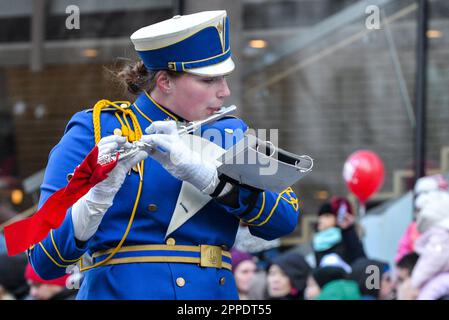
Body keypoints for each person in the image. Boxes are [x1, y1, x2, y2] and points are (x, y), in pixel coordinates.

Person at [27, 10, 300, 299]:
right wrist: (96, 199)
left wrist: (214, 182)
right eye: (208, 81)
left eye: (224, 78)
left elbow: (284, 218)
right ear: (165, 81)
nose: (225, 91)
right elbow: (44, 259)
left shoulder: (230, 133)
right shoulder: (97, 128)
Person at [313, 197, 365, 266]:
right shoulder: (318, 240)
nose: (321, 220)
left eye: (327, 216)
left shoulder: (346, 235)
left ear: (336, 218)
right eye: (320, 216)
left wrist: (349, 229)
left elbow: (360, 260)